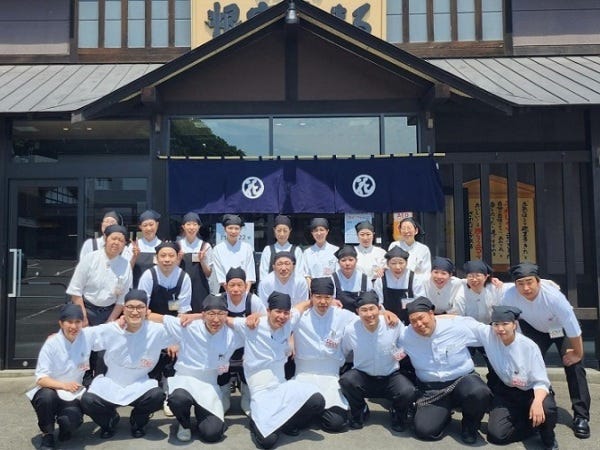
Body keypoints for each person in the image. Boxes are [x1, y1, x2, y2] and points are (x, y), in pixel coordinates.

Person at [502, 262, 591, 439]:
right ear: (515, 284)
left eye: (529, 282)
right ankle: (540, 401)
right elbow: (512, 322)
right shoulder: (509, 295)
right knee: (526, 365)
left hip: (560, 329)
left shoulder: (553, 297)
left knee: (574, 365)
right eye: (520, 283)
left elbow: (573, 328)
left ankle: (581, 416)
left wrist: (578, 353)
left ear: (538, 281)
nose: (526, 288)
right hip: (535, 329)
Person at [230, 291, 325, 449]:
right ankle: (256, 421)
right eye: (278, 311)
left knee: (317, 401)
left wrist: (329, 301)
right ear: (268, 311)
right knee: (268, 442)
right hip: (261, 391)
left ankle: (287, 422)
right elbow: (222, 319)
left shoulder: (289, 321)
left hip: (281, 386)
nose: (282, 316)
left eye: (285, 312)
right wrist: (195, 316)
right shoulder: (251, 325)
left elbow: (302, 306)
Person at [80, 289, 177, 439]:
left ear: (147, 310)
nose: (135, 312)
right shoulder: (112, 329)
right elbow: (82, 336)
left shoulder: (156, 330)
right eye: (130, 307)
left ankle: (138, 421)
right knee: (87, 400)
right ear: (123, 309)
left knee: (157, 396)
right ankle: (109, 420)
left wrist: (175, 341)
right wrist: (59, 337)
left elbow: (185, 329)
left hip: (140, 383)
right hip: (112, 382)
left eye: (140, 307)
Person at [148, 294, 242, 443]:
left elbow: (261, 323)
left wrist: (198, 315)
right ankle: (184, 424)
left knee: (212, 433)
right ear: (203, 314)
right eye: (211, 314)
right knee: (178, 399)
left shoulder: (232, 335)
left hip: (209, 385)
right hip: (185, 379)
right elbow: (154, 317)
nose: (216, 319)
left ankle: (201, 414)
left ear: (226, 315)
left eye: (221, 314)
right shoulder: (187, 326)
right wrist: (125, 317)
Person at [467, 305, 558, 449]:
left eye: (505, 324)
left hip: (531, 392)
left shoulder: (529, 347)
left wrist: (537, 402)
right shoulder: (488, 335)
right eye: (496, 324)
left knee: (546, 408)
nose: (500, 329)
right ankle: (532, 426)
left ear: (514, 325)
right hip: (507, 392)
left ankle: (547, 435)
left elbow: (541, 382)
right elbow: (464, 323)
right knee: (496, 435)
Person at [403, 297, 491, 444]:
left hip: (463, 381)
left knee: (479, 392)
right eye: (413, 321)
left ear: (431, 314)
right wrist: (386, 314)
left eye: (421, 318)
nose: (419, 324)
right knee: (424, 430)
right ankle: (444, 414)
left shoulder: (457, 326)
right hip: (433, 390)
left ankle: (470, 426)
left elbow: (489, 334)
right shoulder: (406, 335)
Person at [339, 291, 416, 432]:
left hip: (390, 376)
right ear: (357, 312)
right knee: (346, 381)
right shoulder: (351, 330)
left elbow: (406, 344)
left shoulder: (393, 324)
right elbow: (343, 352)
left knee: (408, 391)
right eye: (364, 310)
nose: (369, 314)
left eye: (372, 309)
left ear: (379, 308)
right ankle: (360, 409)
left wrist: (398, 353)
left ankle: (397, 412)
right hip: (363, 376)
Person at [66, 224, 133, 382]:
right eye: (113, 238)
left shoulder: (125, 265)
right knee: (84, 350)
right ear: (105, 239)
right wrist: (83, 317)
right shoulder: (90, 259)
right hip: (86, 309)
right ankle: (83, 382)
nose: (116, 243)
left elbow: (122, 299)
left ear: (124, 244)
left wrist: (111, 320)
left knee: (105, 353)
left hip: (109, 312)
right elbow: (76, 290)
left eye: (121, 240)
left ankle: (101, 384)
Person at [292, 277, 358, 432]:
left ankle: (314, 413)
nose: (323, 302)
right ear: (311, 296)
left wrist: (385, 312)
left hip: (330, 377)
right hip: (304, 375)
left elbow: (366, 319)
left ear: (333, 297)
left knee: (336, 424)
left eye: (327, 297)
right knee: (297, 420)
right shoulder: (301, 316)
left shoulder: (342, 315)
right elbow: (277, 319)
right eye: (318, 297)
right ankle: (312, 412)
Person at [26, 304, 95, 450]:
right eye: (69, 322)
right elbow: (41, 378)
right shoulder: (51, 343)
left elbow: (109, 332)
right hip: (51, 390)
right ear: (61, 323)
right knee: (46, 398)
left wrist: (122, 321)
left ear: (82, 323)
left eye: (77, 322)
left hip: (72, 393)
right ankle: (47, 434)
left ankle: (65, 428)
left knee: (71, 421)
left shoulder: (87, 338)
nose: (73, 326)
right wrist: (64, 385)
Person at [137, 240, 192, 416]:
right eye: (163, 256)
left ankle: (169, 393)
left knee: (174, 356)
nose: (167, 259)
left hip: (174, 327)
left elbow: (183, 314)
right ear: (156, 258)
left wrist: (175, 339)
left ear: (177, 258)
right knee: (150, 361)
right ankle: (149, 395)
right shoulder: (148, 276)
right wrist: (158, 320)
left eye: (171, 256)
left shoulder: (184, 277)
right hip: (150, 326)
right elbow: (143, 311)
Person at [219, 267, 266, 415]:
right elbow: (207, 316)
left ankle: (247, 397)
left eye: (239, 285)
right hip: (223, 346)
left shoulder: (253, 300)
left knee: (249, 372)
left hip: (247, 347)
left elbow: (266, 318)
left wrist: (257, 315)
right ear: (225, 286)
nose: (236, 289)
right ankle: (223, 397)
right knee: (221, 372)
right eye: (232, 285)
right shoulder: (218, 299)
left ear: (246, 286)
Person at [373, 246, 426, 324]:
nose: (398, 267)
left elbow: (421, 302)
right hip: (387, 320)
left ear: (406, 263)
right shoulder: (381, 280)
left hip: (411, 320)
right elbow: (378, 303)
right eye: (393, 263)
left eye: (401, 263)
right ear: (387, 264)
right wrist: (386, 314)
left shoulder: (415, 279)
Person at [178, 211, 213, 313]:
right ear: (183, 227)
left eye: (194, 224)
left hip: (200, 288)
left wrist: (202, 261)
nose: (191, 227)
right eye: (188, 224)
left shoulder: (206, 246)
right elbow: (172, 270)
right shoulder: (177, 246)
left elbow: (208, 273)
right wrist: (178, 259)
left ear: (199, 227)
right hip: (181, 286)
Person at [212, 214, 256, 292]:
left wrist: (245, 293)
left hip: (244, 289)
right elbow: (220, 275)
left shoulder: (247, 248)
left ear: (240, 229)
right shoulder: (217, 249)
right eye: (230, 228)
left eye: (236, 228)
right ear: (225, 229)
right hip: (225, 289)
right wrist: (231, 292)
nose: (233, 231)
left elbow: (250, 273)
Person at [453, 259, 503, 324]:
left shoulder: (494, 289)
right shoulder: (461, 294)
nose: (474, 279)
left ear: (486, 277)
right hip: (468, 326)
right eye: (470, 276)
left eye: (478, 276)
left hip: (491, 326)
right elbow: (459, 318)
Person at [259, 214, 304, 282]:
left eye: (285, 231)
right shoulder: (268, 250)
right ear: (274, 230)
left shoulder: (297, 251)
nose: (282, 234)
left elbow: (299, 274)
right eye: (279, 230)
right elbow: (263, 275)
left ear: (290, 231)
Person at [124, 209, 162, 287]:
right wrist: (134, 257)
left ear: (157, 225)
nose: (148, 228)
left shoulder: (162, 246)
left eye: (151, 224)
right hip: (137, 288)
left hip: (157, 288)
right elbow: (126, 270)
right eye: (145, 225)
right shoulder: (133, 246)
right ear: (140, 227)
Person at [332, 244, 371, 312]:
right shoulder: (332, 279)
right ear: (338, 262)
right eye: (343, 260)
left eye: (351, 260)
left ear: (356, 261)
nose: (347, 263)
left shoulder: (365, 279)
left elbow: (371, 300)